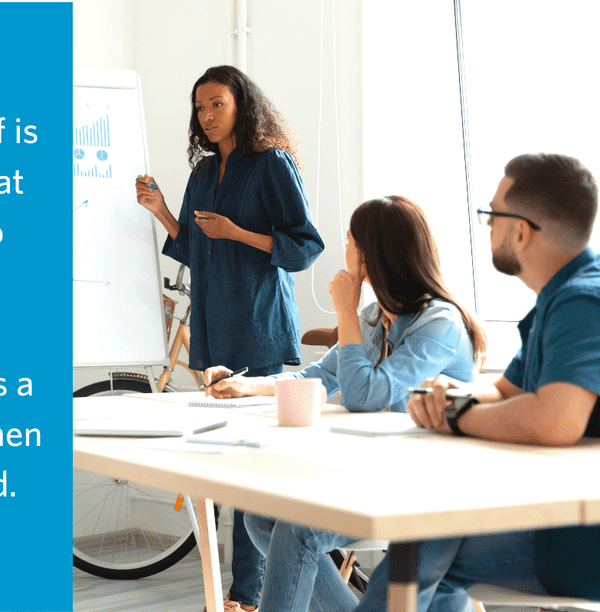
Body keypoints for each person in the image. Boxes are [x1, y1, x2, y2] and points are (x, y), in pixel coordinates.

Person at [352, 153, 600, 612]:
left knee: (420, 547)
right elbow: (507, 391)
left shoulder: (583, 302)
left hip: (587, 539)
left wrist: (457, 418)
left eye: (491, 215)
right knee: (431, 540)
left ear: (521, 230)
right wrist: (446, 396)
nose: (486, 225)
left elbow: (555, 421)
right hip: (563, 512)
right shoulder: (562, 296)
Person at [205, 195, 487, 612]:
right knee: (261, 519)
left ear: (373, 257)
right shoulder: (377, 316)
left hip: (425, 484)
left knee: (297, 531)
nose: (345, 251)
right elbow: (315, 377)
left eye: (351, 243)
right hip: (378, 471)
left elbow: (365, 395)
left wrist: (345, 310)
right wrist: (245, 386)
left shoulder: (439, 323)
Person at [135, 65, 325, 611]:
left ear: (241, 104)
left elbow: (306, 245)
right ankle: (235, 591)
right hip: (214, 324)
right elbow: (196, 245)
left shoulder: (272, 164)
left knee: (249, 465)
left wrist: (239, 232)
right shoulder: (201, 172)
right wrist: (163, 213)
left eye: (216, 104)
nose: (207, 116)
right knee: (222, 459)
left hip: (259, 324)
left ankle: (246, 594)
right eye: (200, 107)